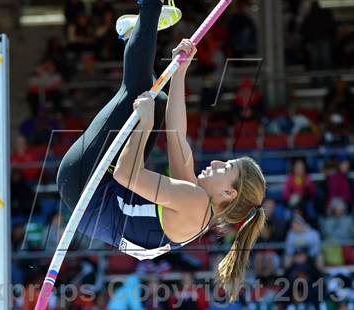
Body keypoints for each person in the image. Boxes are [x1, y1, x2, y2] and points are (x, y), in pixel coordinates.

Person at [57, 0, 266, 302]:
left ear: (230, 194)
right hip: (98, 188)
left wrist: (143, 124)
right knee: (158, 100)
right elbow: (177, 136)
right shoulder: (196, 201)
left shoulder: (195, 203)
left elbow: (128, 174)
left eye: (226, 167)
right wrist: (180, 71)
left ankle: (148, 10)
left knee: (138, 92)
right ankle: (140, 30)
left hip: (84, 186)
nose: (218, 162)